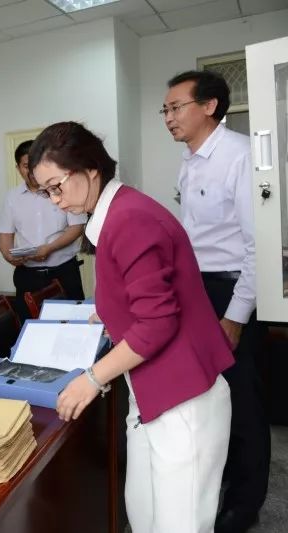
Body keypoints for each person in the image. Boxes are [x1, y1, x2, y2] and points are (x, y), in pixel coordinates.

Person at [29, 121, 234, 533]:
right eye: (46, 192)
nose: (55, 200)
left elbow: (157, 322)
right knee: (143, 513)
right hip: (151, 390)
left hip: (182, 396)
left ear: (89, 169)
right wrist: (110, 316)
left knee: (180, 525)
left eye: (56, 187)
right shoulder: (113, 214)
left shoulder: (129, 219)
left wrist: (92, 379)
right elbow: (139, 296)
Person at [164, 70, 269, 533]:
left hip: (232, 291)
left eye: (176, 107)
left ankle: (245, 504)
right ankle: (222, 476)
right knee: (210, 395)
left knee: (243, 401)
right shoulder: (190, 161)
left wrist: (235, 316)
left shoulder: (239, 155)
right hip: (199, 289)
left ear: (209, 107)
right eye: (165, 109)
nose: (169, 117)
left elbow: (258, 246)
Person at [0, 140, 86, 320]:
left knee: (72, 325)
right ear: (18, 168)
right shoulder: (12, 197)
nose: (31, 170)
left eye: (35, 164)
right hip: (27, 276)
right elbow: (5, 236)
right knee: (30, 326)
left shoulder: (61, 190)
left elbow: (77, 227)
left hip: (63, 272)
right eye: (26, 166)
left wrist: (50, 248)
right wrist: (8, 256)